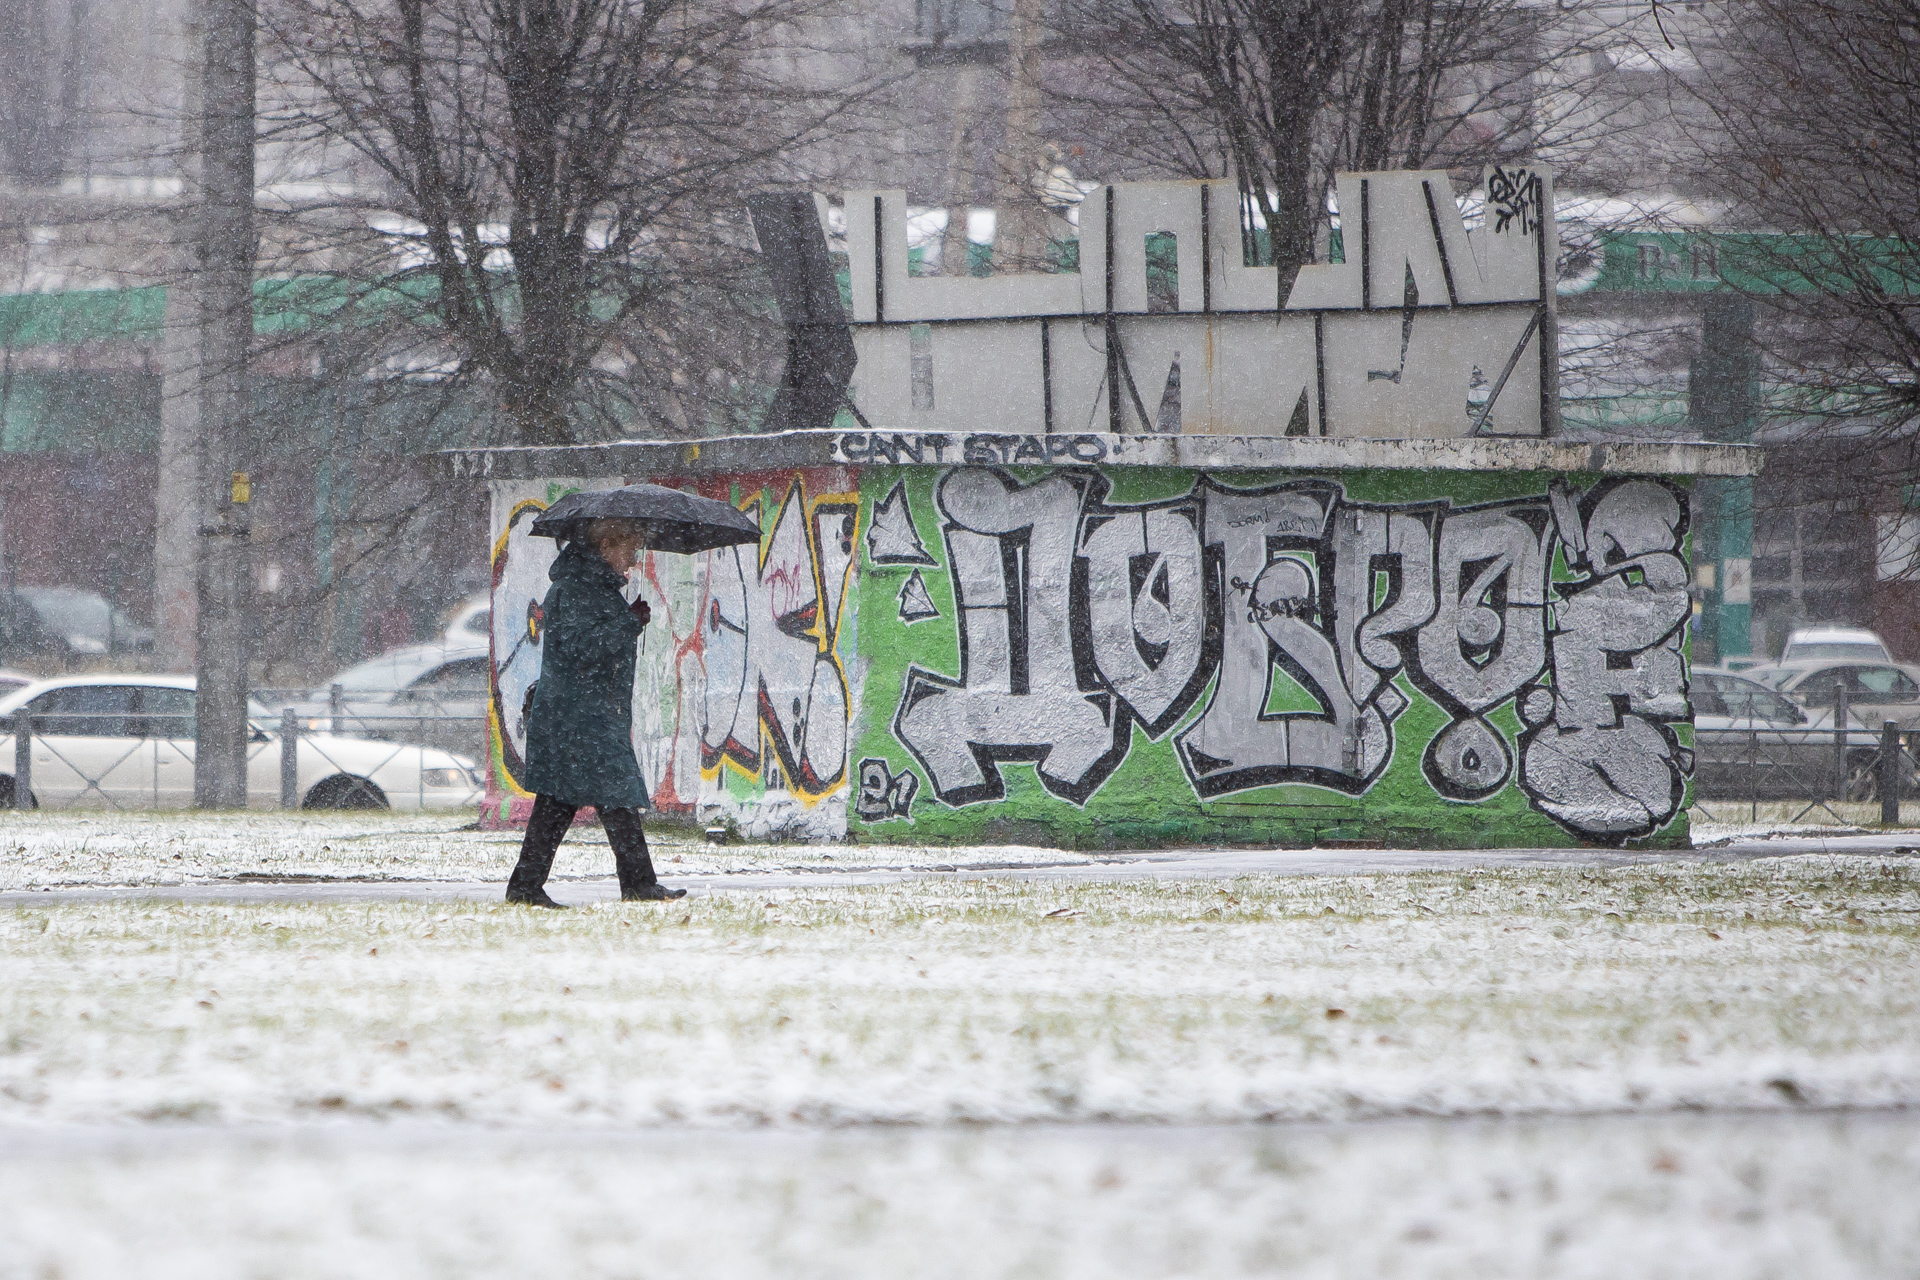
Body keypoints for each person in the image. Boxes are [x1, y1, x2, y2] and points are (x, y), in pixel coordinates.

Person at [506, 516, 686, 907]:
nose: (633, 560)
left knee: (586, 800)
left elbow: (593, 645)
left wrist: (627, 620)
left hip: (588, 715)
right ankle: (632, 884)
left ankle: (531, 887)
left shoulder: (593, 589)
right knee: (587, 797)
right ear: (605, 547)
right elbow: (579, 649)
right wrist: (627, 622)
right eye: (629, 549)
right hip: (575, 718)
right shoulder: (572, 591)